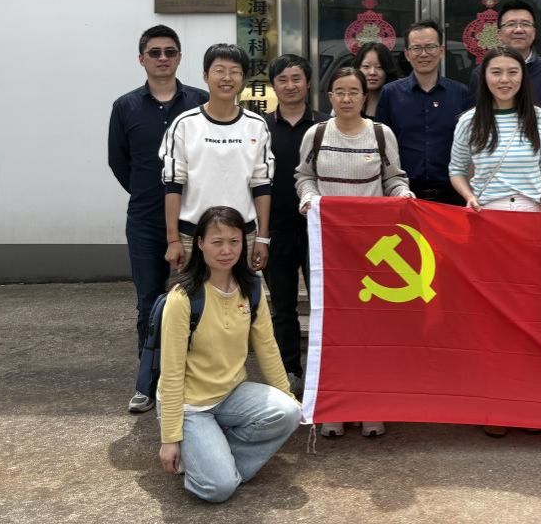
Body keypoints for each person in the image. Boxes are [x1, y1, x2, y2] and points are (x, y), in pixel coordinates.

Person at [296, 65, 413, 439]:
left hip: (374, 249)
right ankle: (335, 407)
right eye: (339, 92)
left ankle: (370, 406)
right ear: (329, 96)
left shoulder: (381, 134)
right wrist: (309, 198)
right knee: (332, 327)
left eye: (353, 92)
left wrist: (402, 195)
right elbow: (304, 176)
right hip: (330, 249)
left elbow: (394, 178)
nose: (346, 99)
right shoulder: (316, 134)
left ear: (365, 96)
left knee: (371, 329)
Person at [451, 46, 541, 438]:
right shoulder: (469, 120)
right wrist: (469, 196)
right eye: (496, 72)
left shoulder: (539, 118)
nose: (504, 79)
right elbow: (456, 170)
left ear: (522, 76)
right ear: (484, 78)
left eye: (512, 72)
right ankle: (495, 404)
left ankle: (530, 403)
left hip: (531, 222)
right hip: (488, 224)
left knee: (531, 316)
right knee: (492, 317)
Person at [156, 206, 301, 503]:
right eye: (217, 242)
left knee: (289, 412)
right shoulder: (183, 298)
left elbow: (267, 346)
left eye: (234, 241)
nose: (226, 250)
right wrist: (169, 438)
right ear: (200, 243)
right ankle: (210, 463)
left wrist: (288, 396)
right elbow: (170, 372)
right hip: (191, 405)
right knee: (217, 489)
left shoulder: (252, 288)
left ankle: (214, 458)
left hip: (230, 395)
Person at [109, 25, 208, 414]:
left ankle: (195, 380)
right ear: (142, 59)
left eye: (170, 51)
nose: (163, 58)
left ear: (180, 57)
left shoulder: (200, 102)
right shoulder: (125, 107)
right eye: (155, 52)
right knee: (149, 300)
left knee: (199, 299)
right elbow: (119, 162)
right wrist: (148, 192)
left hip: (197, 219)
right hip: (146, 219)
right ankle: (148, 382)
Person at [160, 44, 274, 276]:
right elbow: (173, 184)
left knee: (242, 298)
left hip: (242, 237)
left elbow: (262, 185)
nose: (227, 78)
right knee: (192, 298)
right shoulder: (185, 124)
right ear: (205, 76)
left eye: (235, 71)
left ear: (243, 78)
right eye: (219, 70)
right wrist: (173, 239)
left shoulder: (256, 125)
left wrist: (262, 238)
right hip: (193, 235)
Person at [468, 0, 541, 188]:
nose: (518, 29)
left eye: (525, 24)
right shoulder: (481, 74)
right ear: (499, 34)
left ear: (534, 32)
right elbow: (475, 129)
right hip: (493, 183)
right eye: (511, 24)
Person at [263, 54, 322, 396]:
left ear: (308, 82)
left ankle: (322, 370)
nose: (290, 85)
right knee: (282, 306)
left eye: (296, 78)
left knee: (323, 304)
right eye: (282, 79)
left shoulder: (324, 125)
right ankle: (289, 371)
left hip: (319, 230)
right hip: (276, 229)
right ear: (273, 85)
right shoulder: (260, 128)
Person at [376, 20, 474, 205]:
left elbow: (470, 147)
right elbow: (382, 146)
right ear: (407, 54)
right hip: (405, 195)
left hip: (452, 196)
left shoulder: (460, 93)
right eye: (416, 48)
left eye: (430, 47)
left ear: (441, 51)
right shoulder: (390, 94)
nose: (424, 54)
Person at [353, 41, 399, 119]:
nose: (372, 72)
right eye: (366, 66)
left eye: (379, 67)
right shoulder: (347, 102)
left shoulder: (400, 103)